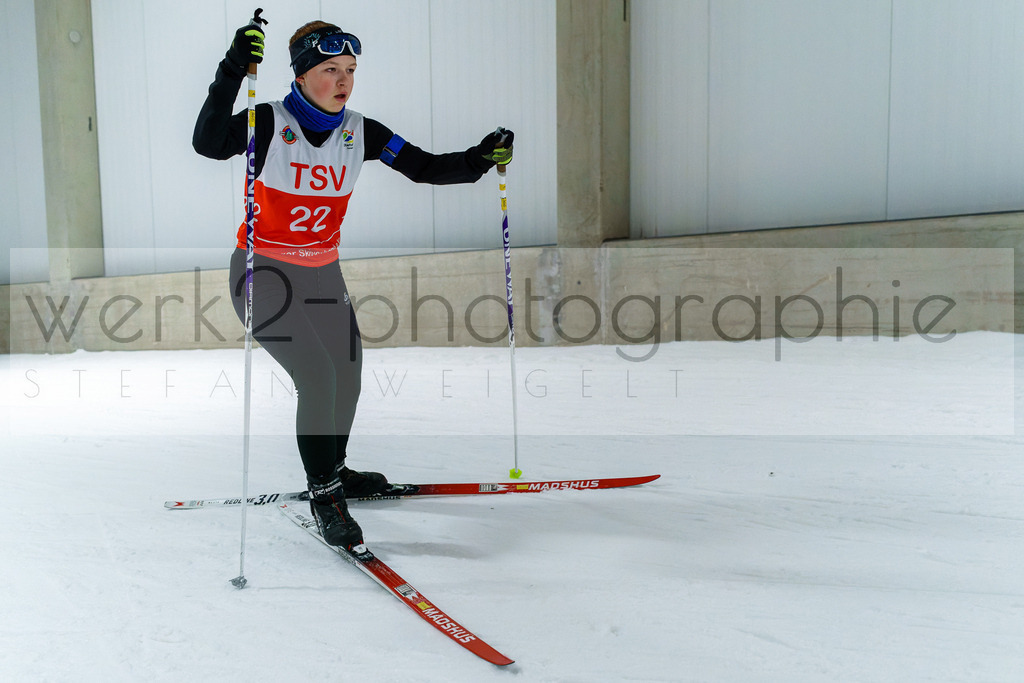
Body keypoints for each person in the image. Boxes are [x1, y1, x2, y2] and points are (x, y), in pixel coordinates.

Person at [193, 19, 513, 550]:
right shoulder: (267, 123)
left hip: (322, 271)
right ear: (300, 75)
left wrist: (480, 159)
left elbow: (426, 168)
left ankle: (336, 470)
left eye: (350, 71)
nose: (343, 81)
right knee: (317, 375)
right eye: (329, 70)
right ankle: (325, 495)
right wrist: (232, 67)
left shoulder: (362, 132)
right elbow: (207, 143)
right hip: (263, 273)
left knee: (348, 373)